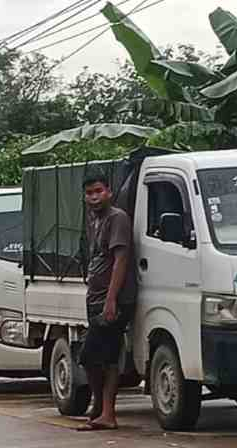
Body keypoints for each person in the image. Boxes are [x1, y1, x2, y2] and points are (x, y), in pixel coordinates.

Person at [77, 169, 137, 432]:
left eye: (99, 191)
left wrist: (111, 300)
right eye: (89, 193)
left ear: (109, 192)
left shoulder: (117, 218)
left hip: (113, 300)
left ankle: (107, 412)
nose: (94, 197)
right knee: (100, 357)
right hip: (96, 297)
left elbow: (120, 260)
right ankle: (101, 408)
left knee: (95, 356)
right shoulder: (93, 219)